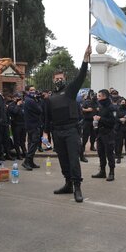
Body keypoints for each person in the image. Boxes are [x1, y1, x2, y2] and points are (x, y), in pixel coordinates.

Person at [45, 45, 91, 203]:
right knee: (63, 160)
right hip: (57, 132)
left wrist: (85, 60)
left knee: (73, 160)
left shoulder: (71, 90)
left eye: (61, 78)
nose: (58, 80)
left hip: (71, 131)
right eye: (56, 78)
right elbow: (47, 117)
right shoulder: (50, 97)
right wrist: (47, 134)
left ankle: (77, 187)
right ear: (53, 80)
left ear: (64, 79)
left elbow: (81, 76)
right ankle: (68, 184)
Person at [91, 90, 117, 181]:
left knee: (109, 153)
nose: (97, 97)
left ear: (104, 96)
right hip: (100, 134)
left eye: (99, 96)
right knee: (101, 153)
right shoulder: (101, 106)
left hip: (108, 134)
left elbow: (113, 122)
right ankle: (102, 171)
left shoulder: (111, 107)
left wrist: (100, 119)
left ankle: (111, 172)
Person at [22, 85, 42, 170]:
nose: (33, 91)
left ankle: (30, 161)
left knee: (31, 143)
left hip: (29, 125)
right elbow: (40, 110)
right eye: (31, 90)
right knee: (34, 143)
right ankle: (27, 161)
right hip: (34, 125)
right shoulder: (31, 101)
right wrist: (37, 101)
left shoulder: (28, 100)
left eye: (34, 90)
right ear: (27, 91)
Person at [8, 93, 27, 160]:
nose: (18, 99)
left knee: (23, 140)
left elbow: (25, 113)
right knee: (17, 140)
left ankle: (25, 153)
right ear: (13, 98)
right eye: (16, 98)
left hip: (23, 124)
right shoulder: (11, 105)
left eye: (19, 97)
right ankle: (18, 154)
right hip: (16, 125)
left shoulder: (23, 105)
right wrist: (18, 105)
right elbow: (15, 112)